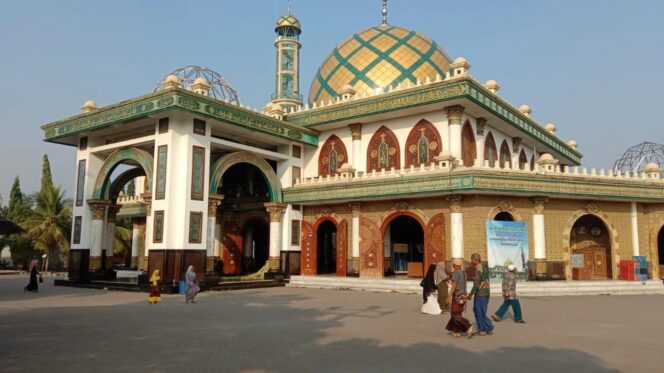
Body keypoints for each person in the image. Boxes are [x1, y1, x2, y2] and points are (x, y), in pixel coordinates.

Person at [445, 258, 474, 337]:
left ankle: (468, 326)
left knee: (455, 314)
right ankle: (456, 331)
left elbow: (454, 285)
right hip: (463, 296)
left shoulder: (455, 273)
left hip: (457, 296)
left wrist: (449, 296)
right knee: (458, 313)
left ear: (454, 265)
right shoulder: (464, 273)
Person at [467, 253, 494, 336]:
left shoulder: (478, 270)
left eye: (472, 260)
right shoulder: (484, 268)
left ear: (475, 260)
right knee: (480, 310)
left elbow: (476, 284)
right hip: (486, 293)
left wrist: (470, 294)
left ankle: (485, 327)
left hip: (480, 294)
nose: (471, 261)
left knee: (479, 311)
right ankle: (483, 327)